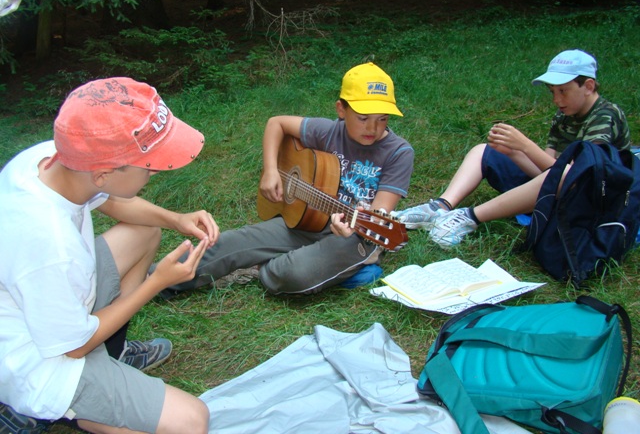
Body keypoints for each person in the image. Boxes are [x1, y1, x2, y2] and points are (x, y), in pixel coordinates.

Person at [0, 78, 220, 434]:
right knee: (192, 422)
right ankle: (44, 407)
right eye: (148, 165)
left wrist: (176, 219)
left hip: (53, 303)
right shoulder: (50, 244)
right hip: (39, 358)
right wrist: (156, 282)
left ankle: (111, 355)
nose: (154, 171)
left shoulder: (55, 158)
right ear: (103, 174)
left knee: (145, 231)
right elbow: (74, 347)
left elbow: (113, 200)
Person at [160, 62, 414, 298]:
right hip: (306, 220)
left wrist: (355, 225)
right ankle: (155, 281)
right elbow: (276, 123)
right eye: (363, 118)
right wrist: (271, 170)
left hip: (355, 234)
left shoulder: (398, 152)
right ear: (341, 109)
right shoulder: (328, 131)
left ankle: (265, 267)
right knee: (229, 243)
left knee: (293, 274)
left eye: (382, 118)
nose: (372, 128)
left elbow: (379, 214)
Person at [393, 49, 631, 247]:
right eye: (552, 92)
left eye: (563, 91)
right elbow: (545, 171)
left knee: (564, 174)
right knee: (484, 151)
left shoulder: (605, 116)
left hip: (595, 197)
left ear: (588, 86)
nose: (556, 100)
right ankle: (440, 207)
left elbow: (580, 176)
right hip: (560, 187)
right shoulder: (564, 116)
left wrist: (525, 145)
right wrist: (514, 152)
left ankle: (468, 217)